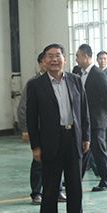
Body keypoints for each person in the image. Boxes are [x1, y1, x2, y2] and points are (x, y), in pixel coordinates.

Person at [26, 43, 94, 213]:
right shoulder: (36, 85)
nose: (54, 59)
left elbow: (84, 110)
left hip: (73, 138)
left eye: (57, 55)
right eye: (50, 56)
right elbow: (31, 118)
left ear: (65, 59)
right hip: (50, 142)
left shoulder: (75, 80)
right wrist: (35, 146)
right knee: (50, 189)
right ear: (44, 61)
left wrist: (86, 136)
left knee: (75, 188)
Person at [17, 53, 66, 205]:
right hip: (40, 130)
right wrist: (25, 129)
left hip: (57, 130)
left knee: (58, 160)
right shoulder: (34, 83)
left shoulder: (61, 81)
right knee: (39, 161)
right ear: (41, 64)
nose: (51, 62)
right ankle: (36, 192)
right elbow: (23, 107)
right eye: (46, 60)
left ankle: (58, 190)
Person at [76, 44, 107, 191]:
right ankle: (76, 178)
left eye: (78, 56)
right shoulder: (78, 72)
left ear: (86, 57)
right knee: (84, 149)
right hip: (84, 119)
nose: (76, 59)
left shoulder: (98, 74)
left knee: (99, 151)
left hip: (97, 120)